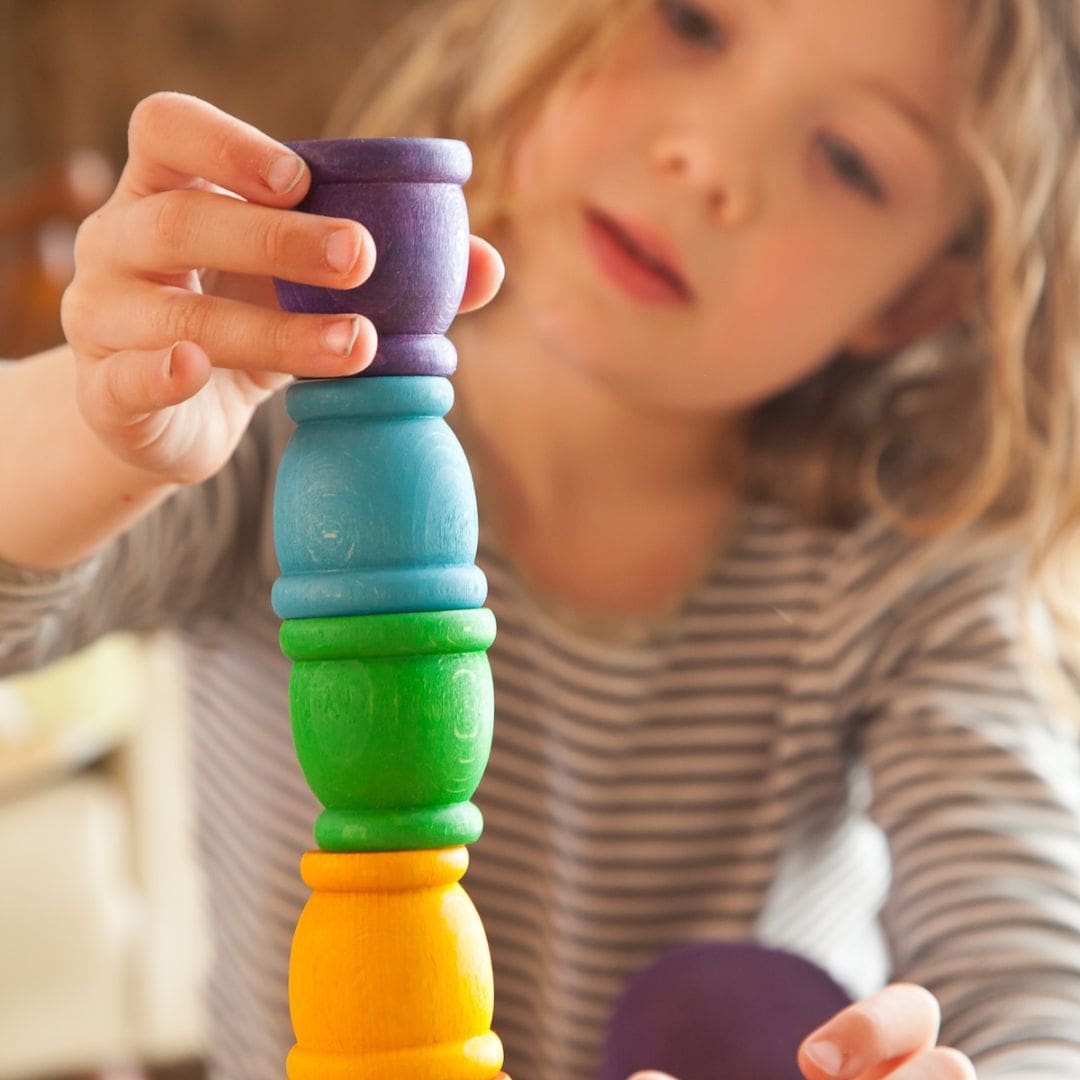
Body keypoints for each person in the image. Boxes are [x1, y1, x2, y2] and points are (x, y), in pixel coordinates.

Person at [2, 0, 1079, 1077]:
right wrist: (111, 425)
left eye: (849, 158)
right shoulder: (271, 432)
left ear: (922, 298)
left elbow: (1036, 987)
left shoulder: (904, 574)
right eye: (694, 23)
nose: (707, 156)